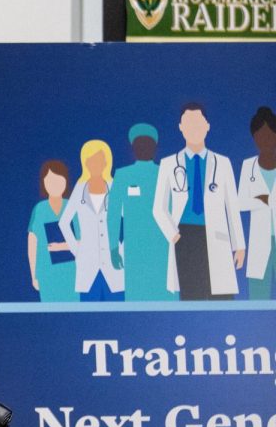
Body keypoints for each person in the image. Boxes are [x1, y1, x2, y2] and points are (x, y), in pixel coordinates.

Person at [152, 103, 245, 300]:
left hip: (216, 233)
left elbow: (232, 207)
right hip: (185, 236)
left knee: (221, 296)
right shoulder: (169, 164)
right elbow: (159, 208)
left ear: (208, 126)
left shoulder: (223, 163)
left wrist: (240, 244)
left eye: (198, 123)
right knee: (192, 297)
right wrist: (175, 236)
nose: (194, 128)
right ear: (180, 127)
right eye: (189, 123)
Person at [109, 123, 173, 301]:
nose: (144, 148)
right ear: (133, 148)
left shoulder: (166, 173)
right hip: (136, 250)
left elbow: (176, 211)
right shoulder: (122, 176)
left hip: (164, 248)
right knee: (138, 300)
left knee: (166, 300)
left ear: (155, 147)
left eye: (148, 144)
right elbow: (113, 214)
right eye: (139, 144)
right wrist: (113, 248)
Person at [59, 139, 124, 301]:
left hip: (113, 264)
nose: (95, 164)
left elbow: (128, 220)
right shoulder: (80, 188)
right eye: (90, 160)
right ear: (85, 163)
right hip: (88, 265)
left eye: (99, 160)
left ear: (106, 162)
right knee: (88, 315)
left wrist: (121, 247)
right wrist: (77, 250)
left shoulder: (115, 187)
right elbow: (64, 222)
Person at [27, 159, 78, 302]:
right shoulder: (40, 210)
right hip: (46, 274)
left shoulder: (72, 207)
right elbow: (32, 243)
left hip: (71, 273)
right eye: (50, 181)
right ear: (43, 183)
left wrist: (61, 246)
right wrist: (34, 275)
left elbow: (83, 241)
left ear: (65, 182)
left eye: (58, 180)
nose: (54, 185)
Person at [239, 106, 276, 299]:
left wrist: (266, 199)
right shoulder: (248, 166)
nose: (265, 140)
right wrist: (262, 201)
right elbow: (240, 202)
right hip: (260, 239)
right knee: (258, 295)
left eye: (269, 135)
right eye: (260, 136)